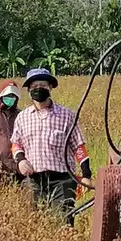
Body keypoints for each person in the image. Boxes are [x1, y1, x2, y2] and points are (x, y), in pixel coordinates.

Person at [10, 68, 94, 227]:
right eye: (34, 87)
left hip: (62, 180)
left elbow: (79, 146)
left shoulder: (67, 115)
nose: (38, 89)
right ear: (29, 90)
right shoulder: (22, 117)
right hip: (34, 180)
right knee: (34, 224)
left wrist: (86, 175)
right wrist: (20, 160)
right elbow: (16, 144)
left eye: (42, 85)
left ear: (50, 87)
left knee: (63, 222)